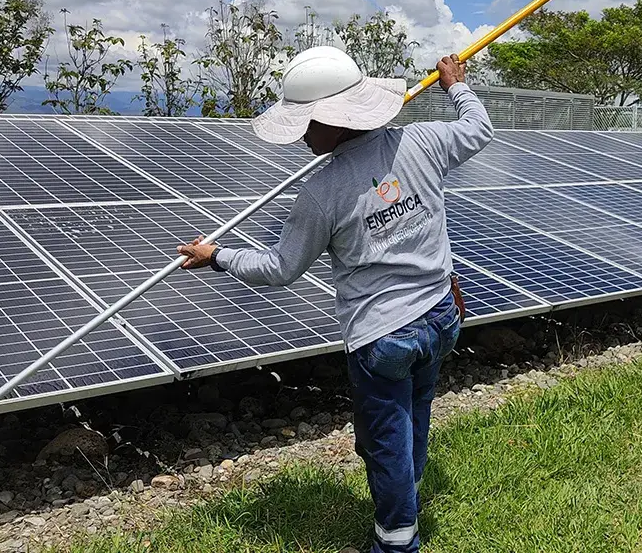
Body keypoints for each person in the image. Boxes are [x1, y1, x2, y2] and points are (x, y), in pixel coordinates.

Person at [177, 46, 494, 553]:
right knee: (415, 414)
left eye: (307, 123)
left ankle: (396, 539)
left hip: (384, 336)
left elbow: (280, 269)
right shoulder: (425, 140)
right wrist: (455, 83)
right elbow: (478, 128)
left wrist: (218, 256)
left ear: (335, 121)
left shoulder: (321, 194)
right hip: (441, 315)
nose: (302, 135)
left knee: (385, 440)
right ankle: (406, 496)